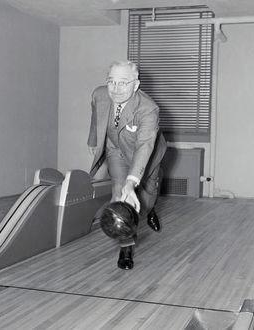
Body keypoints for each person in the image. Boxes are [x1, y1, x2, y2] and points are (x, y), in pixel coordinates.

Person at [87, 60, 167, 269]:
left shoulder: (148, 109)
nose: (116, 88)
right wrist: (93, 141)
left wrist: (132, 182)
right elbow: (97, 117)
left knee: (145, 198)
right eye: (111, 82)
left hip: (147, 156)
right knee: (119, 195)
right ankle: (126, 247)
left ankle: (149, 210)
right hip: (116, 150)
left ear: (136, 84)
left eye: (123, 83)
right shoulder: (100, 94)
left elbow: (144, 146)